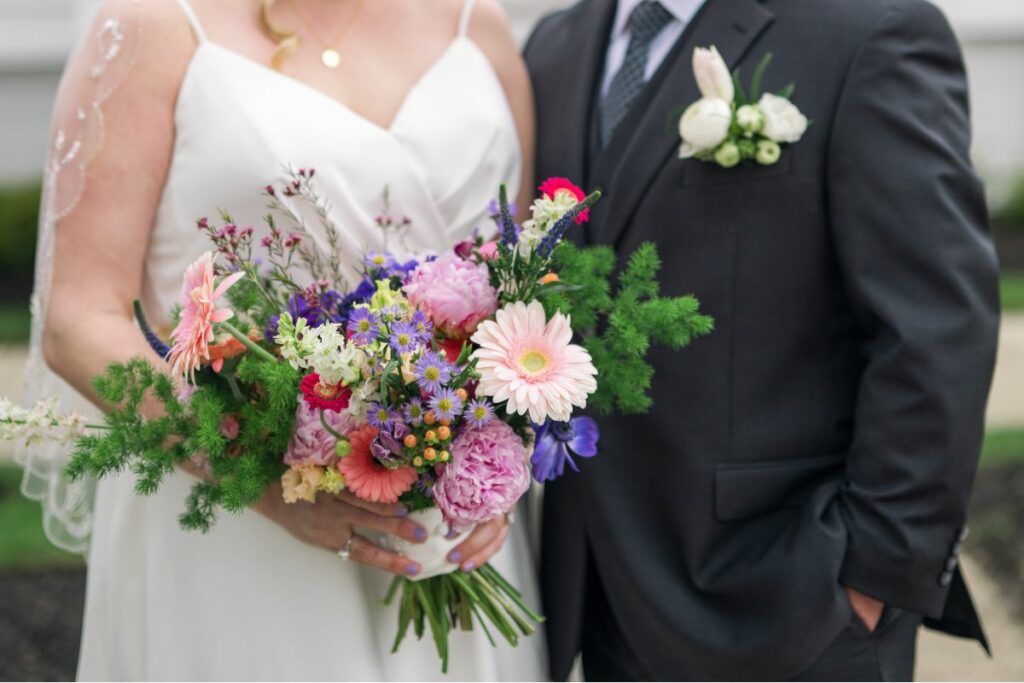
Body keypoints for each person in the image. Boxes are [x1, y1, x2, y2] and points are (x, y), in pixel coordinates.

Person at [21, 0, 544, 678]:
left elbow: (522, 293)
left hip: (450, 538)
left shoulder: (480, 26)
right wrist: (259, 477)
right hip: (234, 533)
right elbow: (77, 318)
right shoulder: (153, 24)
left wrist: (494, 464)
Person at [525, 0, 1000, 679]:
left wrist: (872, 574)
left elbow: (937, 324)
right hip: (600, 597)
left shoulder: (868, 29)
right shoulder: (555, 44)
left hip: (791, 597)